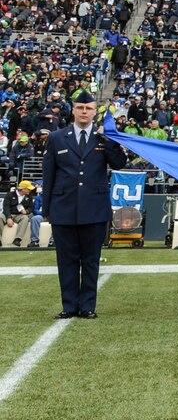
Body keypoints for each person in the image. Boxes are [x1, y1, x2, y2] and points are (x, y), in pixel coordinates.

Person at [42, 91, 127, 319]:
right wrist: (47, 209)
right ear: (74, 110)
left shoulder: (103, 139)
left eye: (89, 109)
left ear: (93, 112)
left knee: (90, 260)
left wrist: (110, 141)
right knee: (66, 261)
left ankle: (87, 306)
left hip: (94, 209)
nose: (84, 112)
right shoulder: (57, 137)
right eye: (80, 108)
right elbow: (48, 174)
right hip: (63, 208)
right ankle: (69, 306)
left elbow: (119, 164)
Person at [3, 180, 35, 246]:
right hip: (8, 214)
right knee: (0, 217)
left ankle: (17, 239)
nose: (30, 190)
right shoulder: (9, 195)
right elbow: (6, 207)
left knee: (25, 218)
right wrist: (8, 217)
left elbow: (31, 208)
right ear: (23, 189)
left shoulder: (29, 197)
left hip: (19, 215)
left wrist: (27, 211)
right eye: (29, 189)